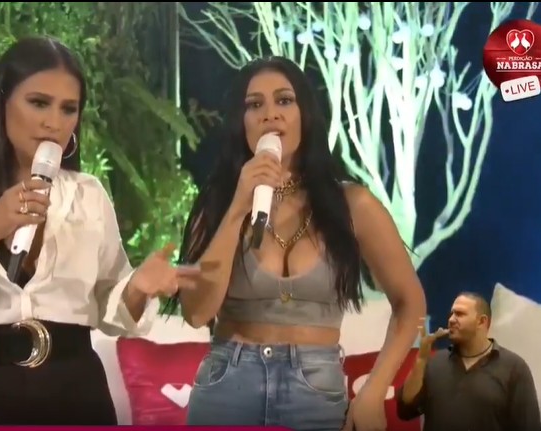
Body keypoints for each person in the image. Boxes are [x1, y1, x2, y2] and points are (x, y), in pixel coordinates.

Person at [0, 36, 199, 425]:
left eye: (69, 109)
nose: (54, 122)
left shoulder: (87, 196)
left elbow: (109, 309)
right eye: (38, 103)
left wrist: (137, 288)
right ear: (1, 103)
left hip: (73, 394)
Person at [165, 55, 427, 431]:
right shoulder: (219, 202)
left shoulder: (352, 204)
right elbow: (196, 313)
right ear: (241, 122)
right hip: (227, 384)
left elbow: (410, 302)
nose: (270, 114)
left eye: (284, 100)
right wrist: (238, 205)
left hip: (315, 388)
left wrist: (373, 390)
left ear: (305, 114)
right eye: (254, 104)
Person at [396, 292, 541, 431]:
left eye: (459, 314)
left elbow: (529, 426)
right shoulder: (434, 363)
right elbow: (405, 409)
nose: (451, 320)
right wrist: (421, 360)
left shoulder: (514, 368)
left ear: (482, 321)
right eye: (451, 314)